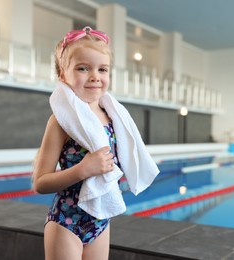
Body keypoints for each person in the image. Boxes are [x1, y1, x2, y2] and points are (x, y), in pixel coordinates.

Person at [32, 26, 159, 260]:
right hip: (65, 222)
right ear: (63, 74)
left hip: (100, 221)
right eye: (83, 68)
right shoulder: (60, 121)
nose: (95, 76)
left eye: (102, 69)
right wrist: (83, 169)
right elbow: (40, 183)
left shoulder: (114, 118)